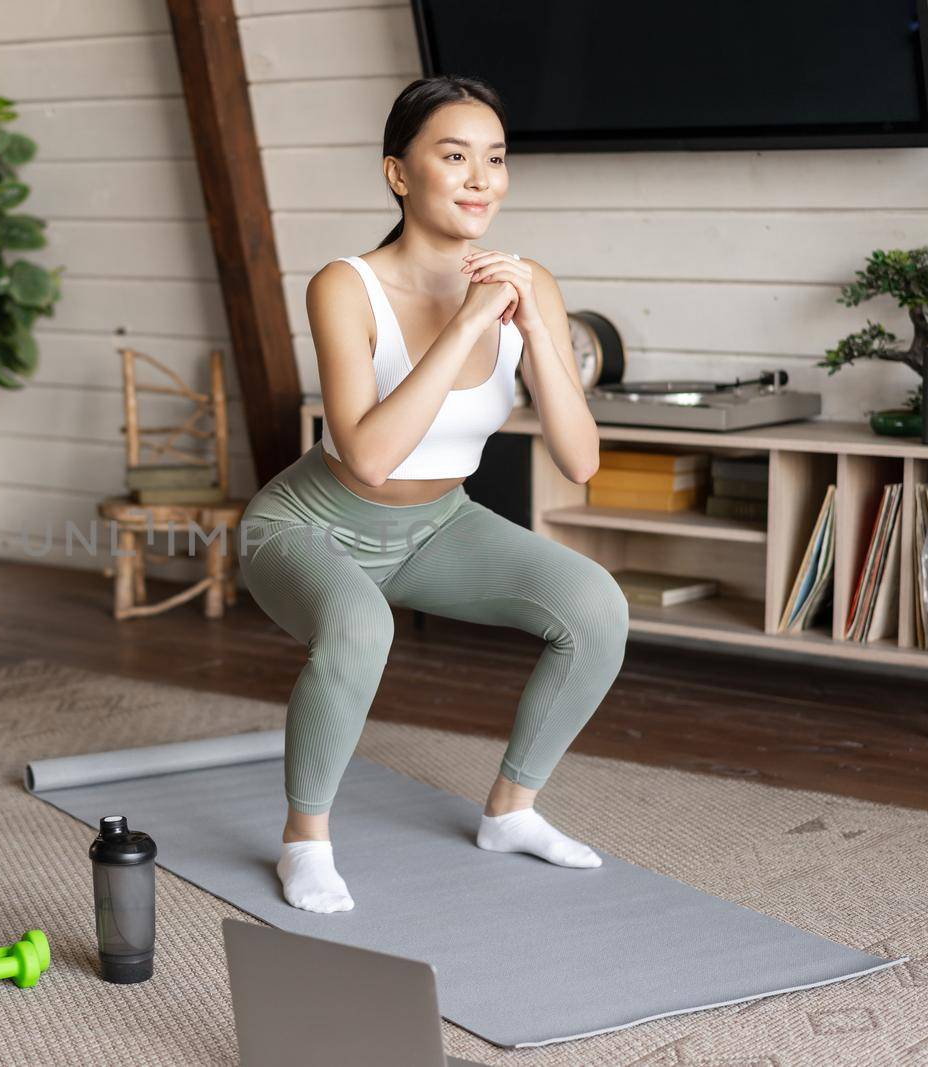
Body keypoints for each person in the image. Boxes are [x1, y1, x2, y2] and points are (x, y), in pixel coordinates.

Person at [237, 75, 630, 914]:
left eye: (495, 158)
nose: (481, 177)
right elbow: (370, 456)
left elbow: (581, 458)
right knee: (357, 623)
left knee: (595, 605)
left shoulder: (530, 284)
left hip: (435, 527)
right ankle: (304, 841)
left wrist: (531, 331)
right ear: (399, 174)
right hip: (308, 525)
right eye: (454, 156)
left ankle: (512, 810)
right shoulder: (345, 285)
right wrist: (466, 322)